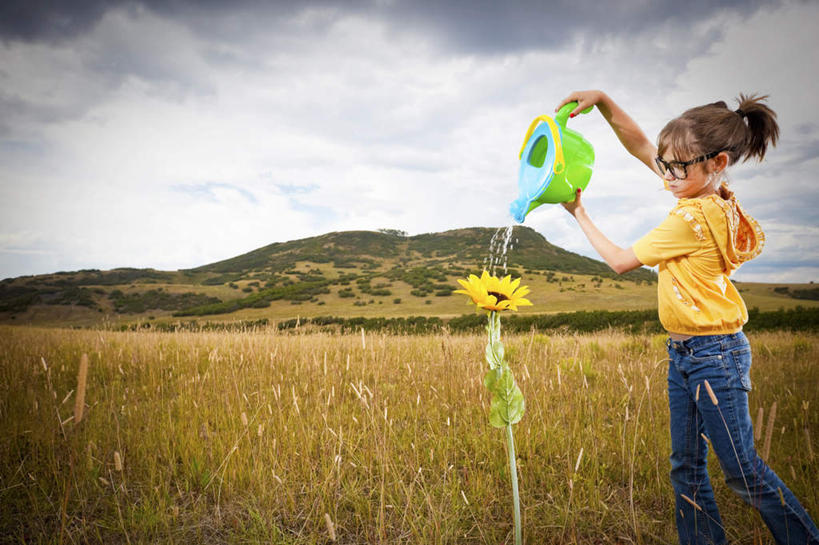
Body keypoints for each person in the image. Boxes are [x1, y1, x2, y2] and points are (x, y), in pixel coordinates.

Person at [555, 90, 819, 545]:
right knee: (687, 466)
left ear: (717, 161)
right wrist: (603, 102)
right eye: (665, 164)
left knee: (742, 472)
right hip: (686, 353)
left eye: (678, 167)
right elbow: (641, 146)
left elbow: (620, 260)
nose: (667, 175)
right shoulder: (712, 194)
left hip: (712, 355)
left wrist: (579, 212)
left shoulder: (691, 219)